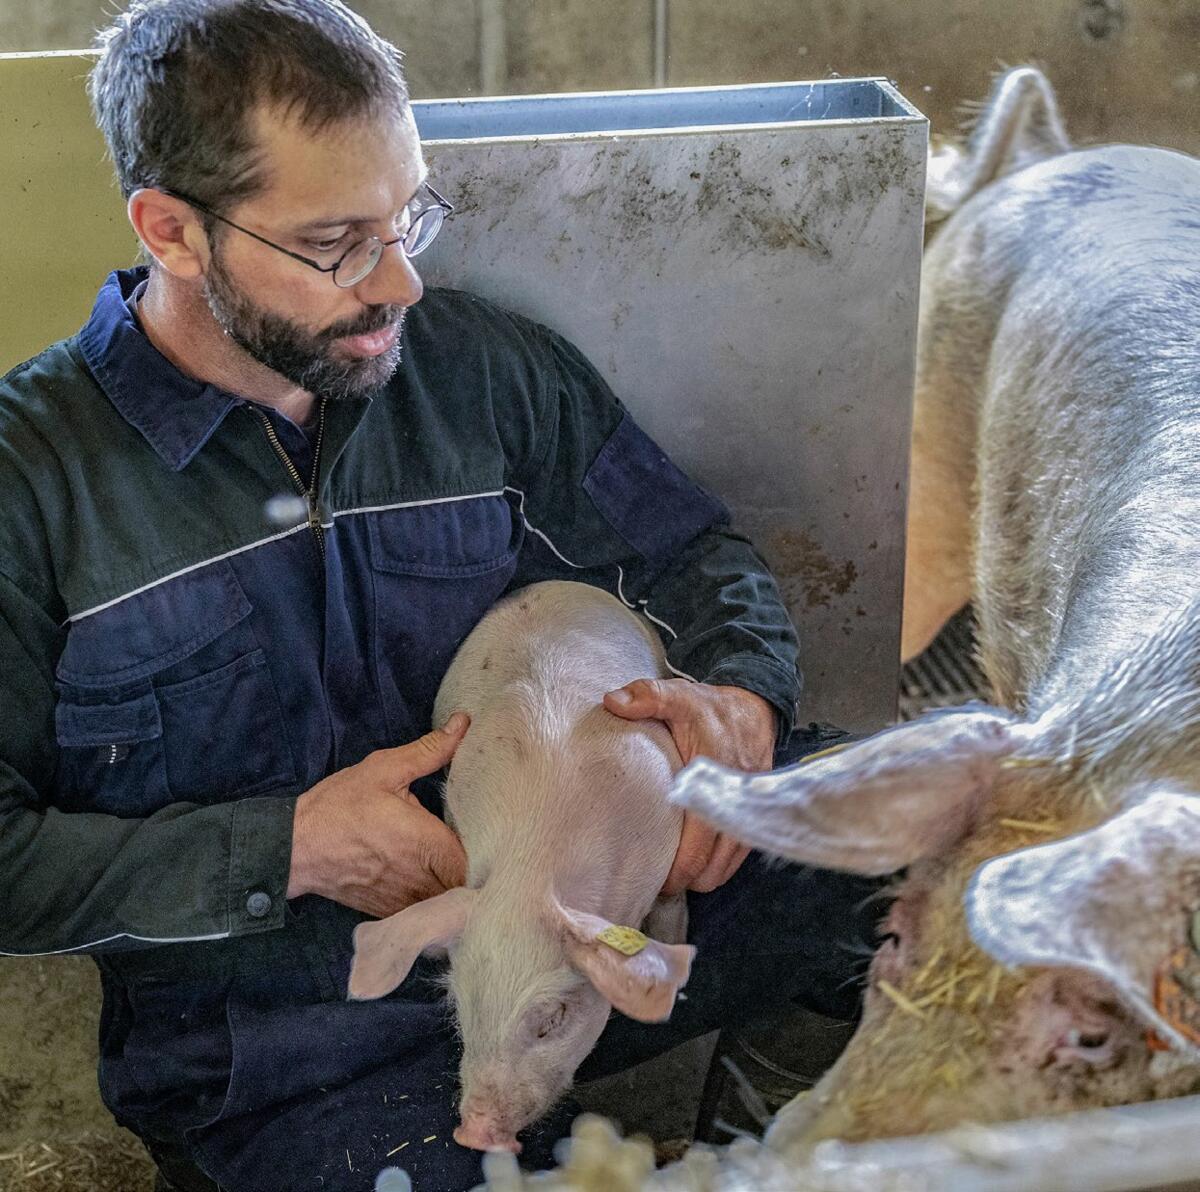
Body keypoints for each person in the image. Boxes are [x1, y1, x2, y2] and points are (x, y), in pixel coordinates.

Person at [0, 3, 883, 1189]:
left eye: (408, 215)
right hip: (290, 1053)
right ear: (173, 232)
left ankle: (774, 1138)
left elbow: (691, 555)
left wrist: (737, 703)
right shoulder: (30, 486)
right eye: (336, 243)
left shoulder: (483, 375)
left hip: (584, 922)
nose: (402, 280)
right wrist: (288, 848)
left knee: (934, 854)